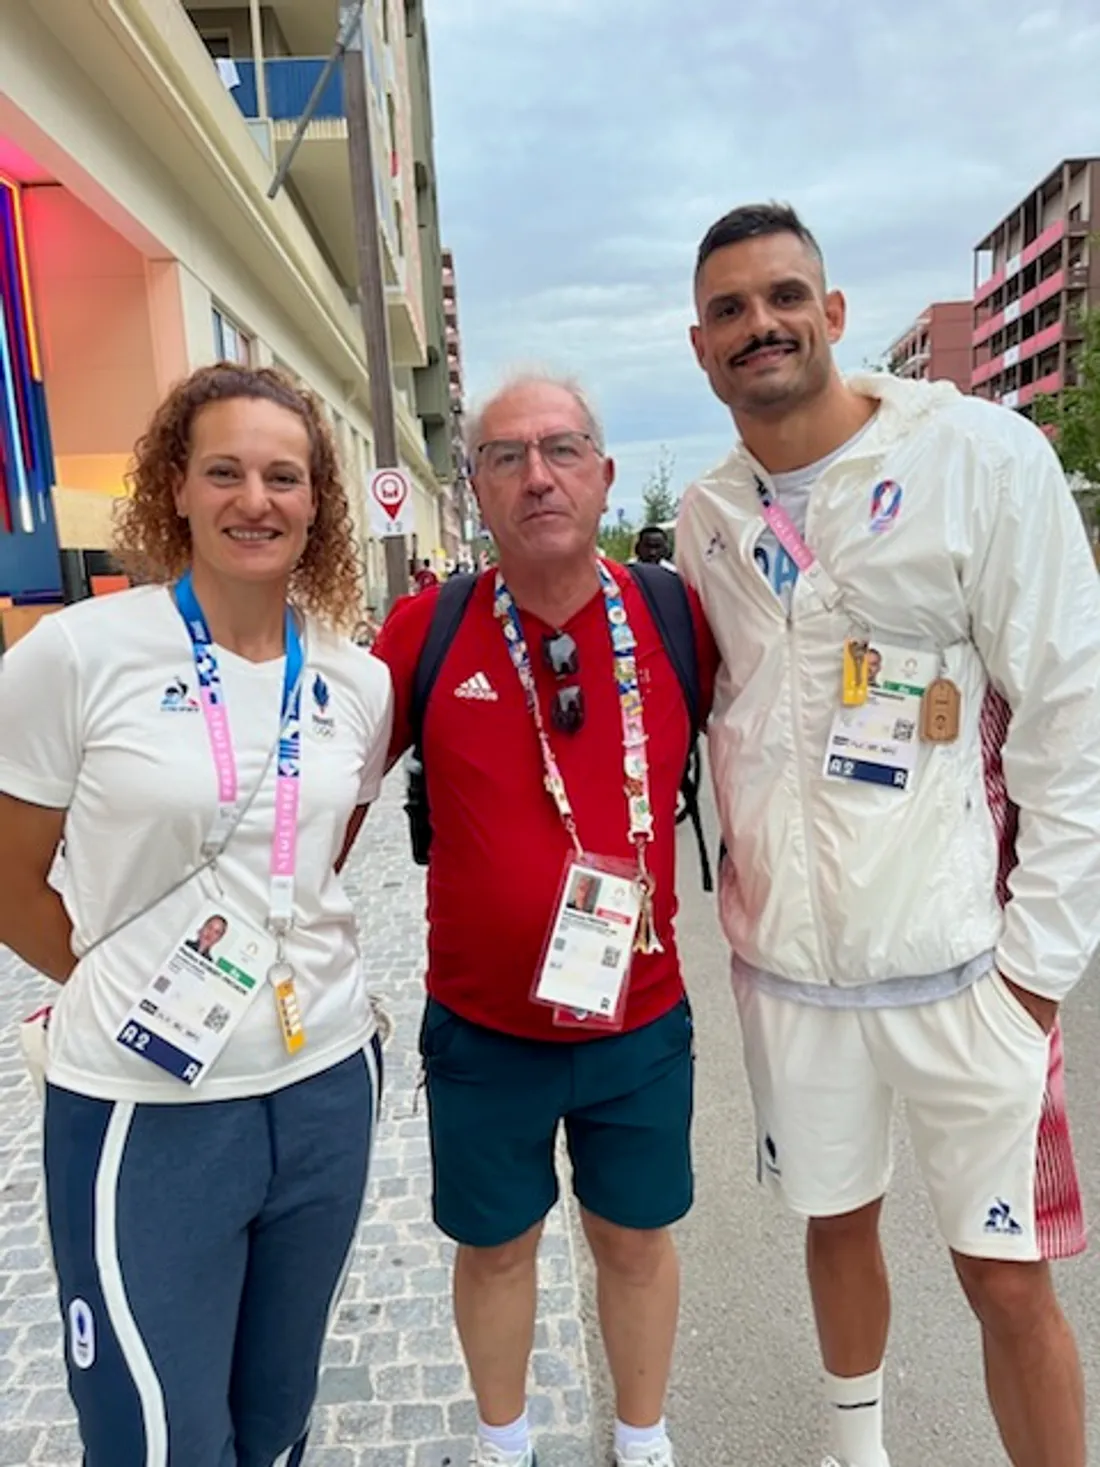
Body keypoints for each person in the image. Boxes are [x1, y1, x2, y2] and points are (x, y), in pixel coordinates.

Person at [677, 201, 1100, 1467]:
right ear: (700, 347)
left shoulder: (978, 458)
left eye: (782, 297)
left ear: (832, 312)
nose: (759, 324)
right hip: (793, 980)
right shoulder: (707, 516)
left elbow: (1067, 716)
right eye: (728, 310)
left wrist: (1035, 970)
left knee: (1006, 1278)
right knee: (833, 1220)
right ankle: (853, 1452)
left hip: (963, 972)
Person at [0, 363, 394, 1467]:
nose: (253, 500)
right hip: (147, 1104)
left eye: (283, 476)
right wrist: (113, 981)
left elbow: (314, 859)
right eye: (224, 471)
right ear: (175, 486)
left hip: (324, 1085)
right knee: (155, 1438)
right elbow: (8, 876)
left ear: (316, 502)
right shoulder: (78, 653)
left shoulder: (356, 682)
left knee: (277, 1418)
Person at [372, 374, 716, 1467]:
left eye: (561, 449)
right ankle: (504, 1440)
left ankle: (641, 1437)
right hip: (482, 1031)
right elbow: (321, 795)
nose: (537, 476)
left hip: (639, 1023)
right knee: (495, 1246)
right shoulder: (426, 630)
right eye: (505, 456)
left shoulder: (676, 618)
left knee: (635, 1238)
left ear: (604, 475)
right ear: (474, 490)